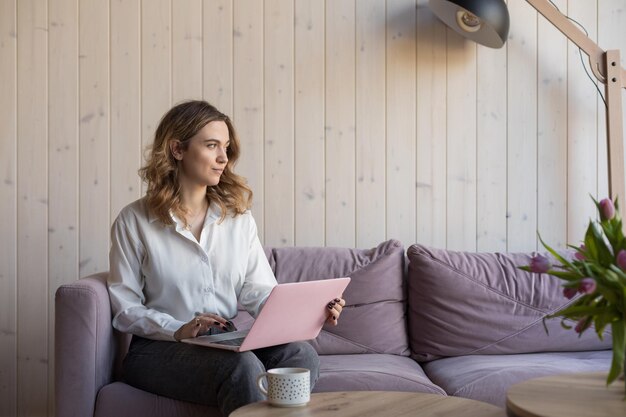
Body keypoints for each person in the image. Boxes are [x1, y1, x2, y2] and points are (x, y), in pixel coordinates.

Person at [107, 100, 345, 416]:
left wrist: (311, 312)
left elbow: (260, 292)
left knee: (301, 355)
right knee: (240, 366)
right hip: (159, 348)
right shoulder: (134, 220)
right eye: (212, 146)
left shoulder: (238, 219)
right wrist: (179, 328)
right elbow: (125, 309)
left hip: (223, 339)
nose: (223, 158)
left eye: (226, 148)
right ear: (177, 149)